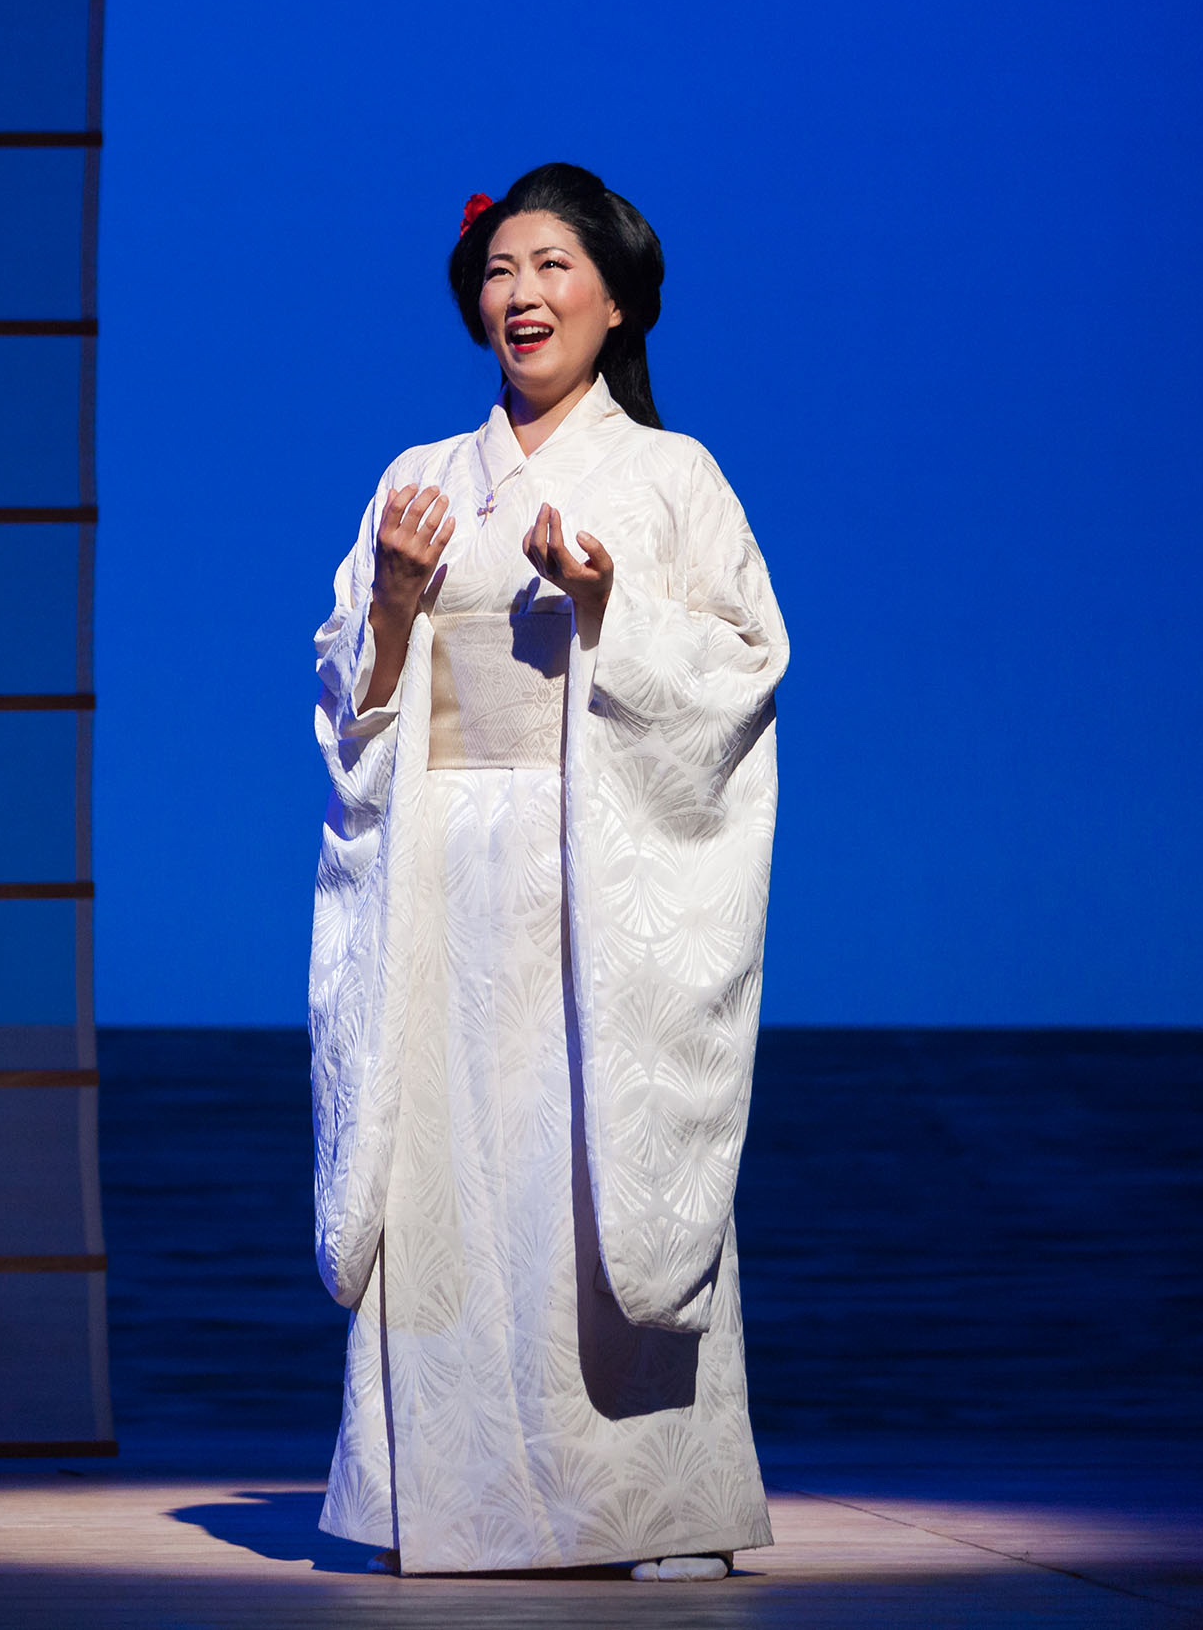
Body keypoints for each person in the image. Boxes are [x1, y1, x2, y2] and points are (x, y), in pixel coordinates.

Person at [307, 163, 786, 1579]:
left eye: (554, 267)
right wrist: (393, 605)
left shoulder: (672, 476)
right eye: (502, 271)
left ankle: (654, 1505)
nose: (522, 293)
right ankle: (439, 1500)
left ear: (619, 295)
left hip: (599, 863)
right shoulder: (419, 480)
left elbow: (747, 673)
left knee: (597, 1177)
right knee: (449, 1175)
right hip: (444, 871)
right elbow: (352, 702)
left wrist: (610, 616)